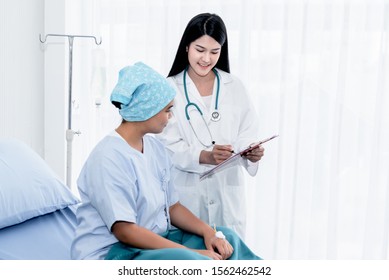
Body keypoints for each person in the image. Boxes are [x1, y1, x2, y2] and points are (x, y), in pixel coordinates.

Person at [70, 61, 261, 260]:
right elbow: (125, 231)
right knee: (195, 261)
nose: (170, 117)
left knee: (226, 237)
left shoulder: (155, 148)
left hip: (154, 240)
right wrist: (191, 252)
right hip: (116, 252)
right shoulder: (108, 158)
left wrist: (208, 232)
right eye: (167, 110)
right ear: (146, 109)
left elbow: (173, 207)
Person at [156, 13, 265, 239]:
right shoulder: (169, 88)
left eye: (215, 52)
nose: (206, 58)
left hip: (227, 197)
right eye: (200, 50)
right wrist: (204, 156)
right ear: (186, 46)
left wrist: (250, 152)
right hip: (187, 199)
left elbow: (247, 131)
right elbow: (165, 145)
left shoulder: (234, 86)